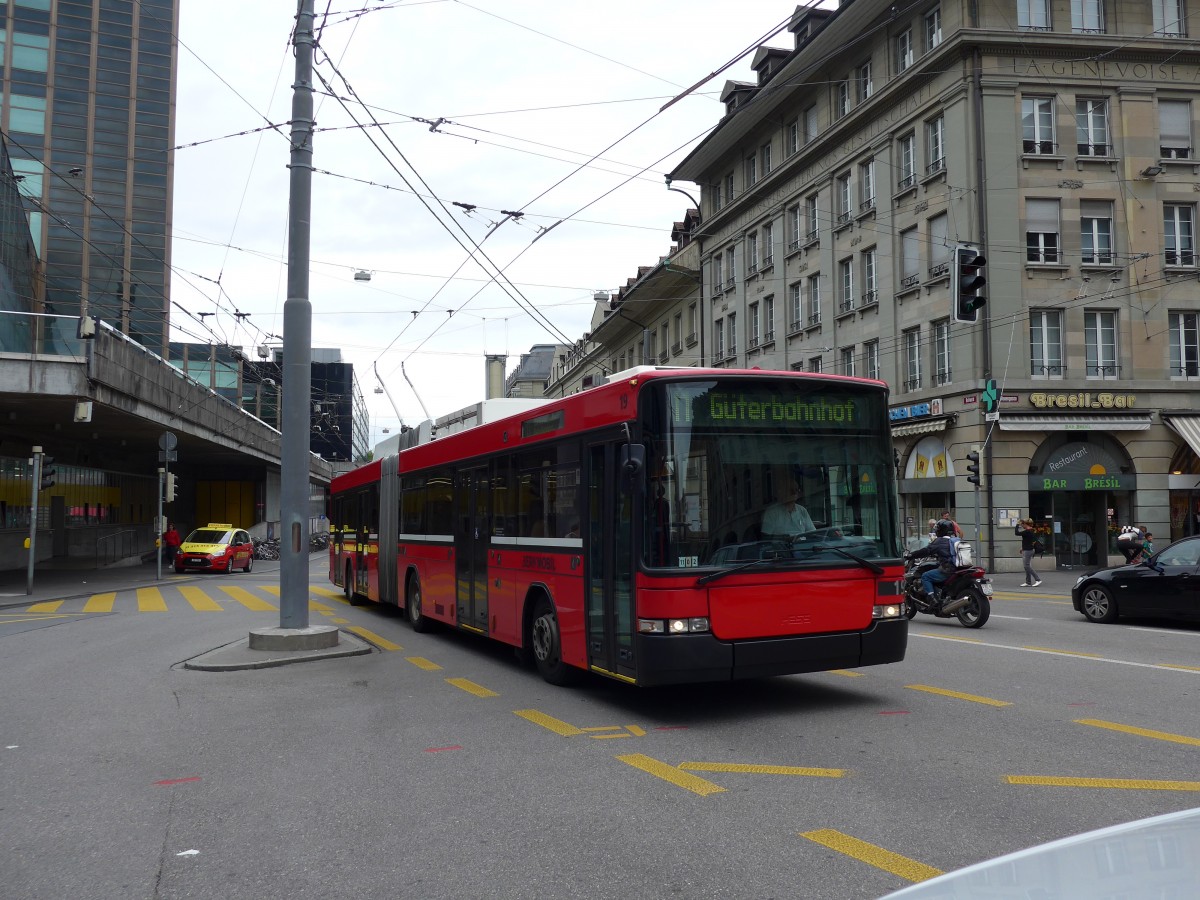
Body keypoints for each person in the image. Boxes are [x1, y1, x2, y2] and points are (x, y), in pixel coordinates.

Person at [907, 519, 960, 597]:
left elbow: (927, 550)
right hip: (960, 569)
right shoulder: (957, 540)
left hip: (949, 570)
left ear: (940, 530)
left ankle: (933, 600)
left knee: (925, 576)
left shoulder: (940, 541)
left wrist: (911, 555)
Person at [1015, 517, 1041, 587]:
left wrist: (1017, 525)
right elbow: (1028, 541)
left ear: (1026, 524)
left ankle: (1038, 579)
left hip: (1028, 551)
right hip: (1028, 549)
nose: (1022, 526)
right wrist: (1022, 548)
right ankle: (1028, 582)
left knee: (1027, 566)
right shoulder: (1030, 530)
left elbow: (1016, 533)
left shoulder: (1027, 531)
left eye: (1022, 524)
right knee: (1027, 566)